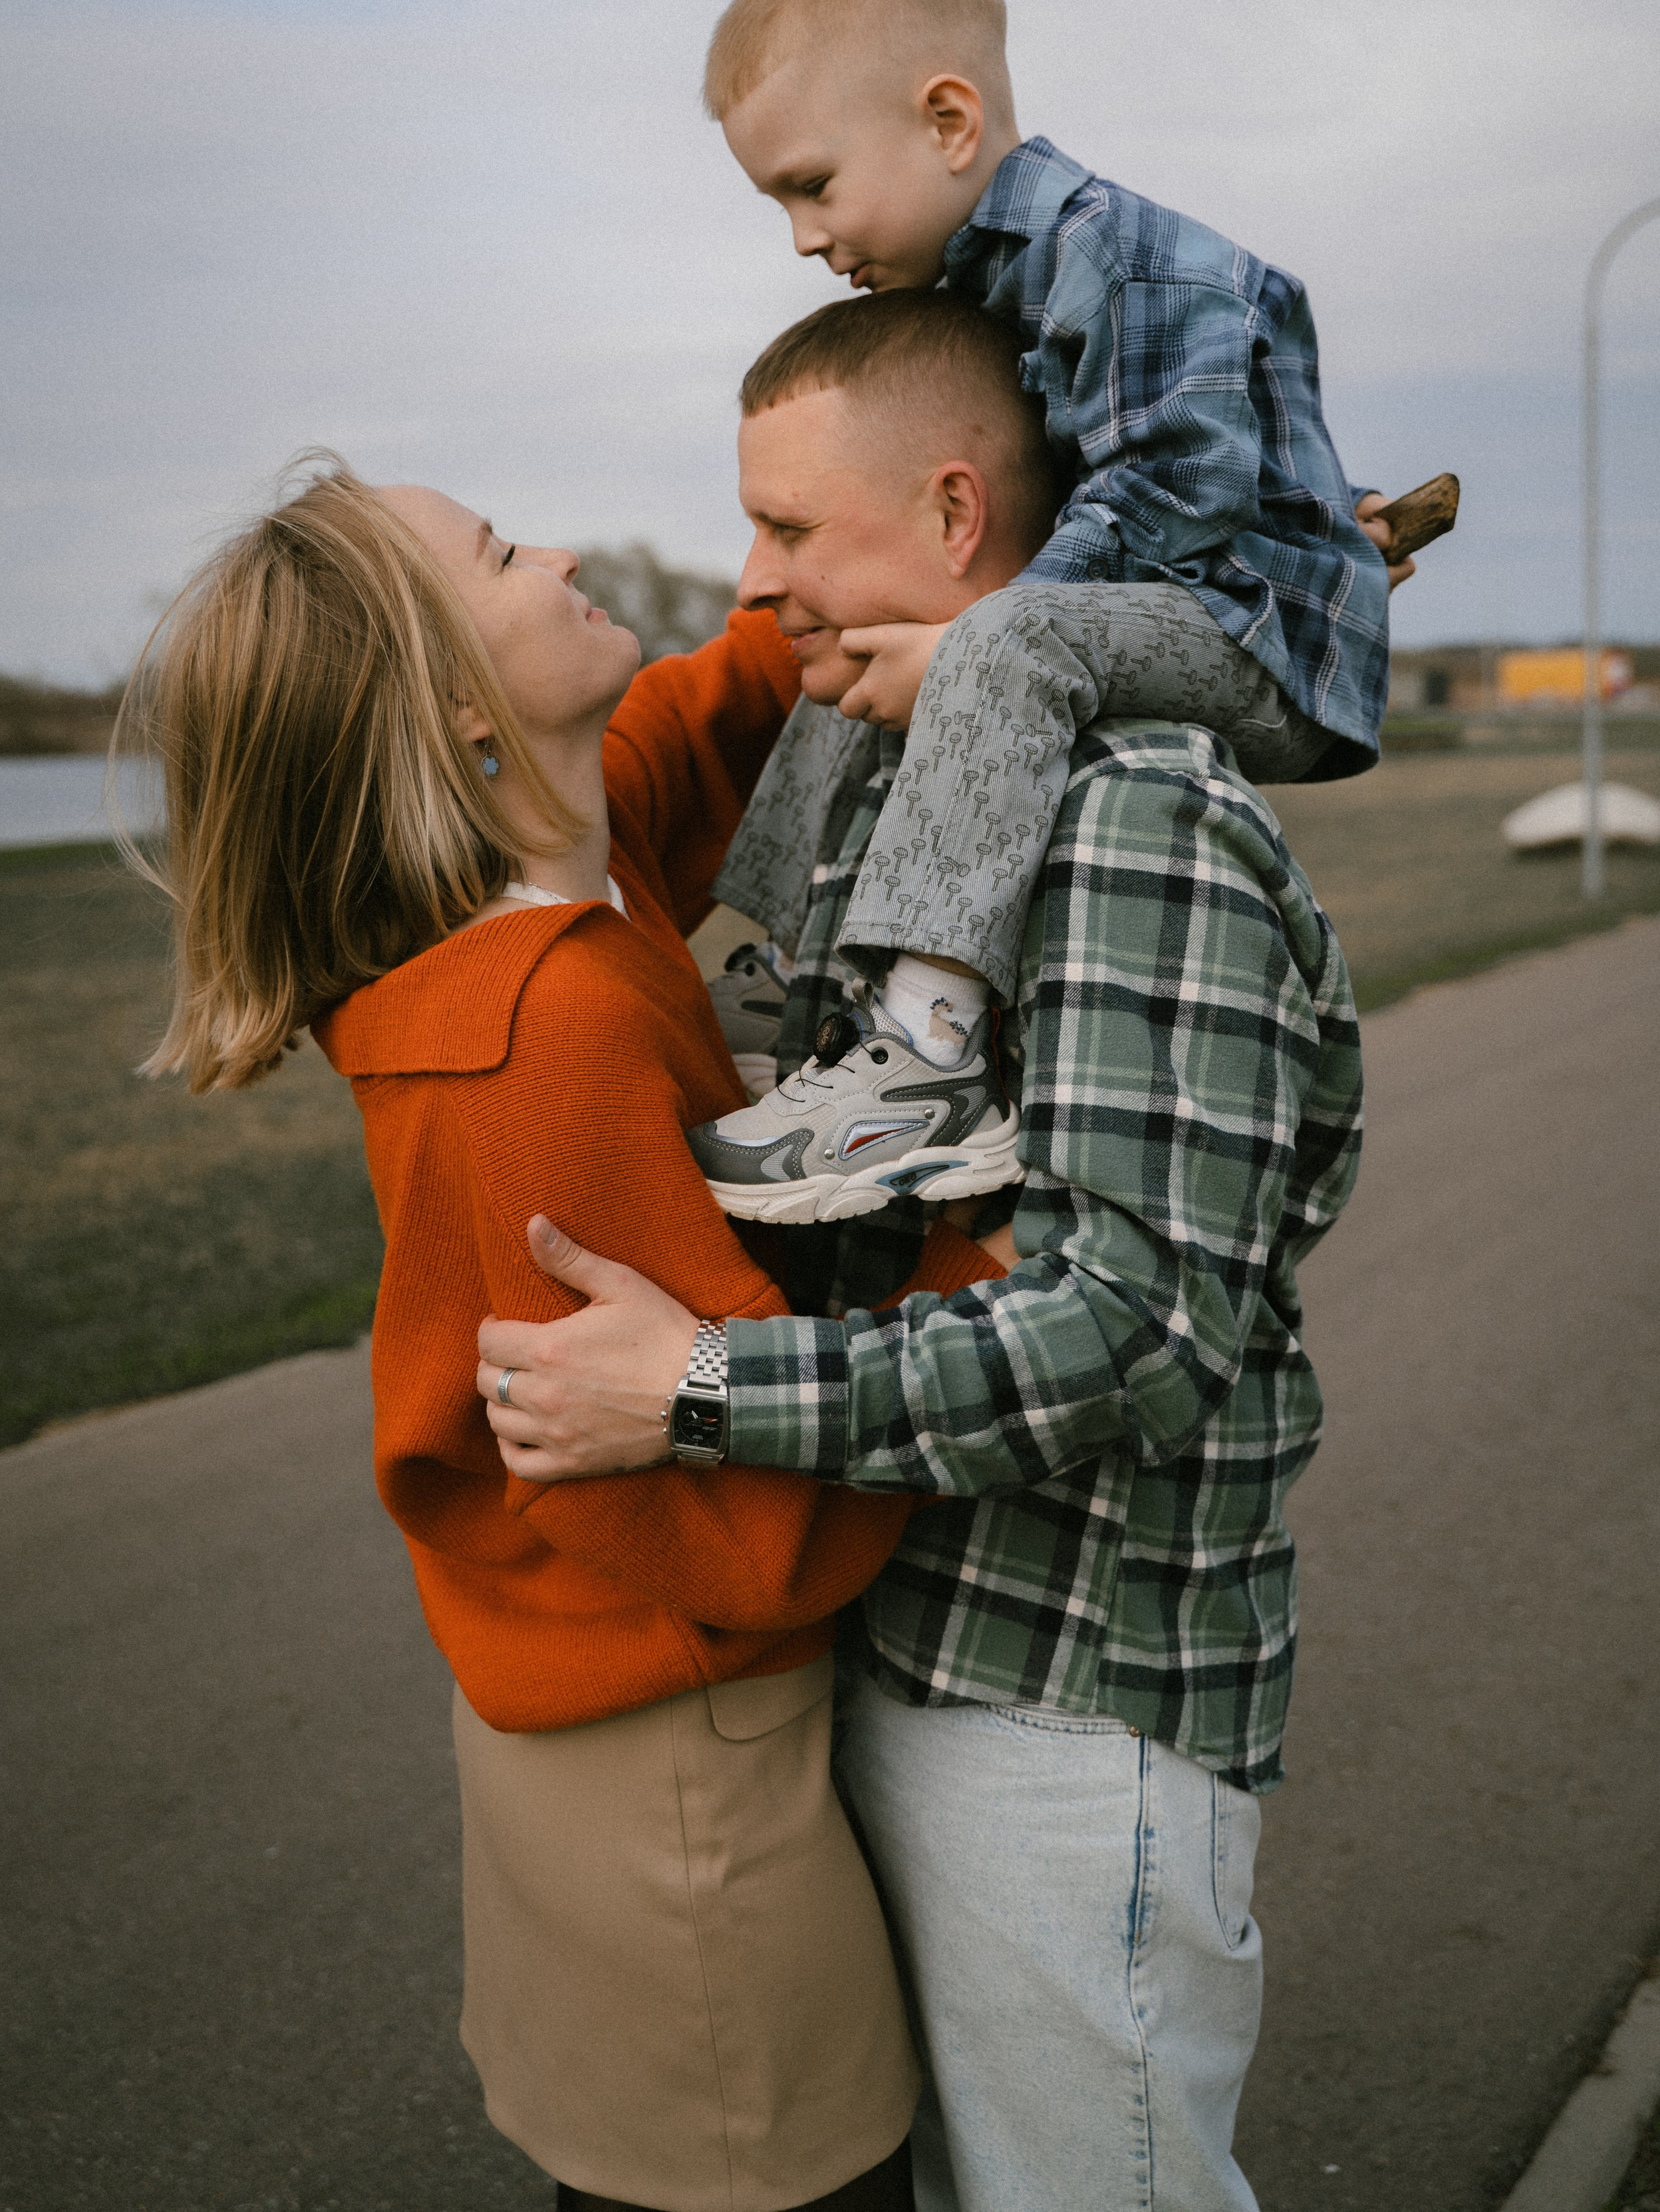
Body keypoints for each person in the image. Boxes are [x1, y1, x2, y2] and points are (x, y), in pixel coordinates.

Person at [476, 293, 1366, 2212]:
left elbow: (1136, 1329)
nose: (752, 575)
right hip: (905, 1647)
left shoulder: (1136, 813)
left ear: (959, 514)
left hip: (1068, 1708)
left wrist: (700, 1389)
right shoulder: (893, 780)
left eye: (790, 530)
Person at [117, 454, 1006, 2212]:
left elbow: (700, 704)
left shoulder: (558, 874)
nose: (574, 548)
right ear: (453, 705)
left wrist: (866, 557)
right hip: (684, 1779)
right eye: (508, 552)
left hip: (607, 1728)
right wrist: (978, 1267)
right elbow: (732, 1517)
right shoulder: (538, 1036)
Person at [688, 0, 1404, 1220]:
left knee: (992, 641)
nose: (799, 234)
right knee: (848, 640)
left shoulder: (1115, 256)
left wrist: (974, 629)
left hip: (1258, 639)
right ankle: (777, 970)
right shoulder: (995, 284)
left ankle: (928, 1051)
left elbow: (1174, 477)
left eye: (810, 183)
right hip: (1176, 599)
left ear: (948, 123)